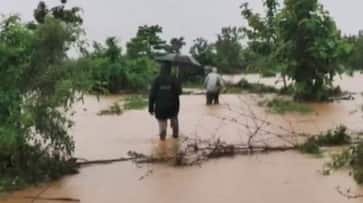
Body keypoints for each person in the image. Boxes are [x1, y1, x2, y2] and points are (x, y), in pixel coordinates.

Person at [149, 62, 182, 141]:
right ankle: (175, 139)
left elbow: (152, 95)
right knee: (174, 120)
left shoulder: (157, 79)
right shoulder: (174, 78)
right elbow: (179, 92)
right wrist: (178, 82)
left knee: (162, 124)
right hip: (173, 107)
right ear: (170, 70)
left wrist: (150, 108)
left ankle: (162, 140)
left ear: (161, 69)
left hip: (160, 107)